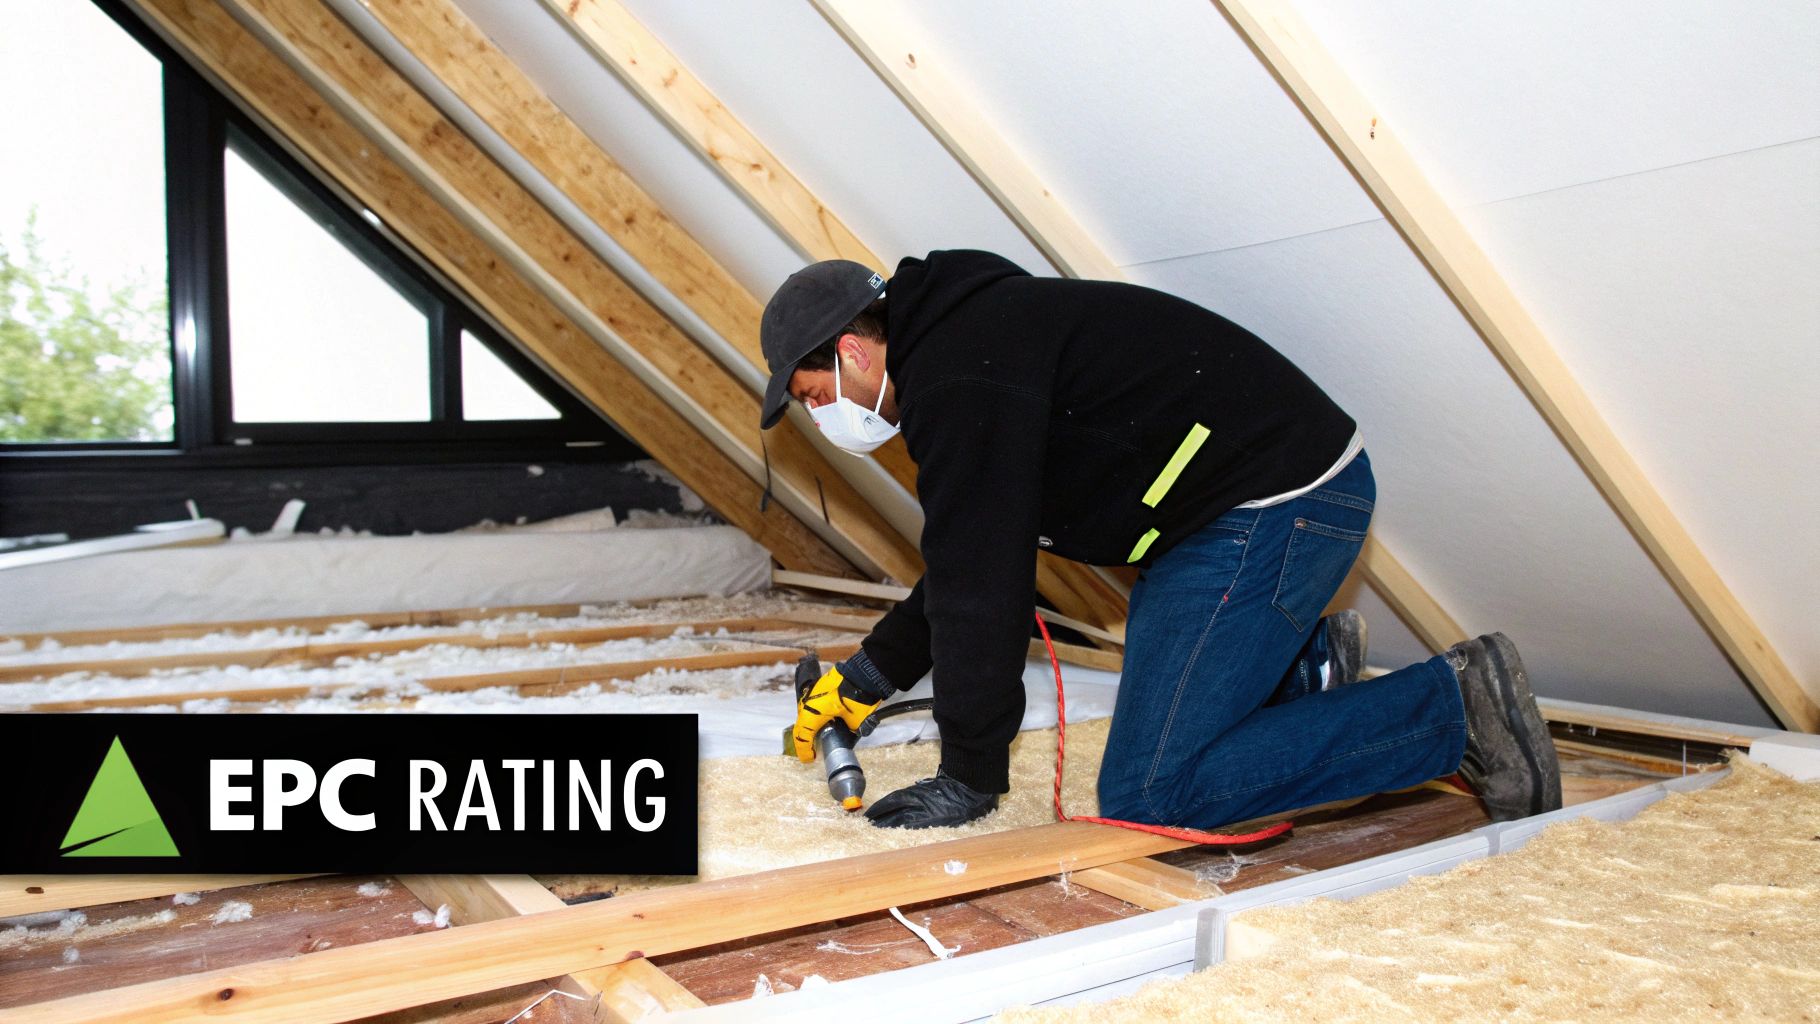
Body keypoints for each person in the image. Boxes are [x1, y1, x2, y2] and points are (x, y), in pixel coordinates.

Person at [759, 250, 1560, 830]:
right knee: (1172, 746)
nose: (824, 416)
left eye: (814, 393)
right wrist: (866, 677)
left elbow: (980, 590)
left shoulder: (959, 380)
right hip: (1246, 507)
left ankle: (1453, 709)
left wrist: (971, 774)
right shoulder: (966, 342)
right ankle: (1301, 679)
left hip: (1274, 507)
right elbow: (971, 558)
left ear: (852, 351)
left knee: (1154, 792)